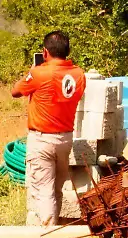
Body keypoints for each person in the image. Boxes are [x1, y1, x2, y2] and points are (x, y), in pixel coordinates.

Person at [11, 30, 85, 227]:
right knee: (56, 190)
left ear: (45, 52)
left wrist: (32, 71)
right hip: (65, 139)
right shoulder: (79, 75)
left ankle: (48, 233)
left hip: (42, 140)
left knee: (43, 191)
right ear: (67, 51)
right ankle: (53, 226)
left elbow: (15, 91)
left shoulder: (39, 73)